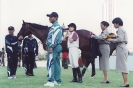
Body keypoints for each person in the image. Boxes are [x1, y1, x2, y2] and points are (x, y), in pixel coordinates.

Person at [107, 17, 129, 87]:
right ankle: (125, 82)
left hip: (121, 47)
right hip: (122, 47)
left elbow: (120, 39)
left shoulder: (120, 29)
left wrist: (111, 40)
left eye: (114, 24)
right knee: (123, 65)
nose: (114, 25)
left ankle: (126, 82)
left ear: (117, 23)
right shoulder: (122, 29)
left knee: (123, 65)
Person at [44, 12, 62, 87]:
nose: (49, 18)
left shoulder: (56, 26)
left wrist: (51, 46)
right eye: (49, 17)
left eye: (51, 17)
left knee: (51, 63)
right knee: (56, 64)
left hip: (53, 47)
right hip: (56, 47)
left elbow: (54, 38)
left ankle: (51, 81)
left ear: (56, 17)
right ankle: (57, 81)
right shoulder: (55, 26)